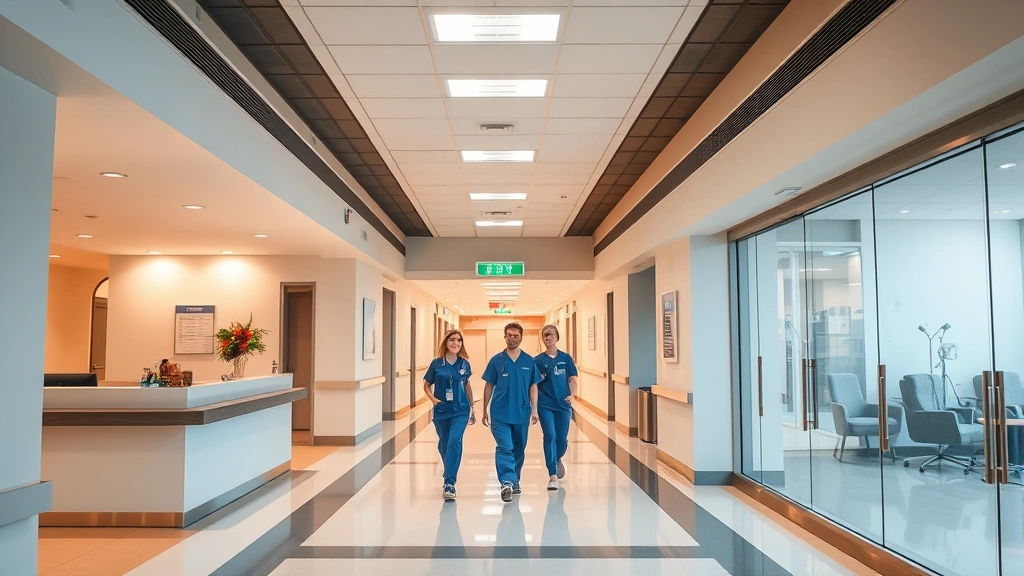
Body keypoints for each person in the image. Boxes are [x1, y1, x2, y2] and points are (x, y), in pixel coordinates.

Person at [482, 322, 541, 503]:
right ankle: (506, 482)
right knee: (504, 447)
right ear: (505, 336)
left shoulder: (529, 361)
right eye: (509, 335)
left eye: (516, 336)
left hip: (521, 412)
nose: (512, 338)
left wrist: (535, 410)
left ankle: (514, 480)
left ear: (521, 337)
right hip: (500, 413)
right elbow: (489, 385)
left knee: (519, 449)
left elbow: (533, 386)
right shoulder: (496, 361)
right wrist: (484, 409)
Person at [423, 329, 476, 501]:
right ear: (446, 342)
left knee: (455, 441)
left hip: (461, 409)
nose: (456, 343)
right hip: (441, 410)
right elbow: (426, 384)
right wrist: (433, 399)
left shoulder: (464, 364)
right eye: (452, 340)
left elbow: (467, 385)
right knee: (444, 444)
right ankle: (449, 469)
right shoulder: (437, 364)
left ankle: (449, 483)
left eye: (459, 340)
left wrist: (472, 407)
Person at [534, 324, 578, 491]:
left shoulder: (566, 359)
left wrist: (573, 394)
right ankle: (552, 474)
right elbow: (533, 385)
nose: (548, 337)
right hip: (545, 404)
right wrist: (533, 407)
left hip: (563, 404)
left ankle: (557, 458)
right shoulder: (538, 361)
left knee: (562, 439)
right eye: (545, 335)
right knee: (550, 436)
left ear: (557, 337)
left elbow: (572, 378)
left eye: (551, 334)